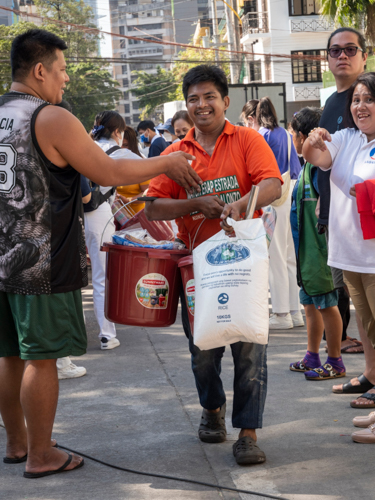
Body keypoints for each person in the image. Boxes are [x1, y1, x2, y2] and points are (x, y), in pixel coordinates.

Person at [0, 28, 199, 478]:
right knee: (40, 356)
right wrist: (166, 161)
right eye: (62, 69)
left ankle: (16, 444)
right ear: (39, 70)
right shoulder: (49, 116)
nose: (65, 79)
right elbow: (107, 169)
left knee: (9, 353)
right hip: (40, 259)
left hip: (2, 253)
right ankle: (40, 453)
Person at [145, 65, 282, 465]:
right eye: (194, 98)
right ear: (187, 105)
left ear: (226, 101)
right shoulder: (175, 154)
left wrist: (243, 205)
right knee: (203, 349)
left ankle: (248, 434)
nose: (201, 105)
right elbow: (152, 206)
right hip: (196, 271)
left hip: (244, 265)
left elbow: (272, 184)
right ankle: (212, 409)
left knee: (250, 349)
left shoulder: (247, 140)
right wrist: (193, 204)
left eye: (209, 97)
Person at [304, 72, 375, 428]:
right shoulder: (347, 137)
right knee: (366, 325)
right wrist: (314, 138)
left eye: (368, 99)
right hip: (350, 252)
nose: (361, 106)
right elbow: (315, 157)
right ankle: (373, 380)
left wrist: (364, 192)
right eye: (357, 100)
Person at [318, 27, 368, 355]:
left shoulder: (367, 97)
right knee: (354, 301)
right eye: (335, 51)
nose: (343, 56)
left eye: (351, 49)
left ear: (365, 55)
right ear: (327, 59)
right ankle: (370, 371)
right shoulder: (331, 102)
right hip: (335, 219)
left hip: (365, 220)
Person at [289, 107, 345, 380]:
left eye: (292, 135)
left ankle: (335, 360)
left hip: (318, 251)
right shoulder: (305, 167)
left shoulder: (318, 167)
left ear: (301, 136)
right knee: (310, 305)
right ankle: (312, 355)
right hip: (305, 254)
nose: (292, 140)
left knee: (326, 304)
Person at [242, 98, 303, 329]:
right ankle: (294, 312)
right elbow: (296, 169)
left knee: (274, 258)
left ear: (255, 117)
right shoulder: (287, 135)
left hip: (270, 201)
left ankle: (280, 314)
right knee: (288, 257)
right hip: (288, 197)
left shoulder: (260, 136)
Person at [117, 125, 149, 214]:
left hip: (136, 217)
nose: (121, 149)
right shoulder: (111, 162)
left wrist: (128, 200)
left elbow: (147, 193)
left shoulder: (140, 163)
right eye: (118, 145)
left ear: (132, 145)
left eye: (125, 145)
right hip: (114, 217)